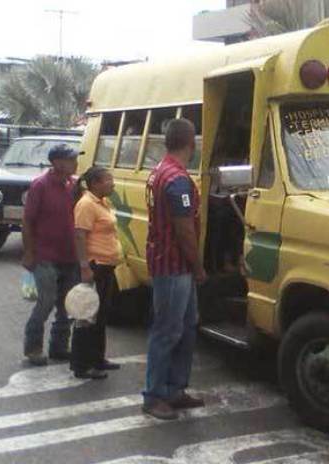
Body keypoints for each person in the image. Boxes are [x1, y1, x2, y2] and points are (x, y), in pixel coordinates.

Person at [142, 118, 206, 420]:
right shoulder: (177, 179)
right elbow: (184, 230)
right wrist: (198, 266)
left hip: (169, 263)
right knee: (167, 331)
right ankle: (154, 395)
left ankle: (174, 389)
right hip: (174, 265)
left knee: (187, 326)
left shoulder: (160, 170)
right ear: (191, 143)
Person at [22, 144, 83, 366]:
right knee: (45, 302)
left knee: (67, 306)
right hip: (45, 255)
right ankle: (33, 348)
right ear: (57, 163)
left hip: (70, 255)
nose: (75, 163)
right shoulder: (40, 185)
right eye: (71, 159)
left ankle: (59, 347)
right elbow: (28, 221)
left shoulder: (73, 185)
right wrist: (29, 252)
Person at [70, 166, 123, 380]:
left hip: (106, 266)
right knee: (87, 315)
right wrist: (84, 266)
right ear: (95, 184)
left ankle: (97, 358)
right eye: (108, 180)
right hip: (94, 265)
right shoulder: (86, 204)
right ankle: (82, 365)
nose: (113, 183)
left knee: (101, 315)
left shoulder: (102, 202)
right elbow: (80, 236)